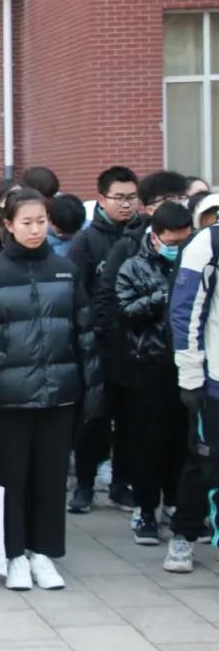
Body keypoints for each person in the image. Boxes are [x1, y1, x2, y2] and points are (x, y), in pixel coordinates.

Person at [0, 189, 101, 591]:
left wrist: (92, 391)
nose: (35, 229)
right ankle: (13, 554)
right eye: (26, 222)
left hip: (60, 393)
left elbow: (85, 334)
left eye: (41, 221)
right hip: (7, 396)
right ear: (7, 224)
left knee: (51, 477)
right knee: (12, 479)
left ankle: (43, 553)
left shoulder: (64, 269)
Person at [114, 202, 193, 546]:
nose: (179, 248)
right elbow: (124, 311)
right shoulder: (134, 266)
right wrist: (162, 297)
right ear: (156, 236)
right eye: (173, 242)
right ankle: (145, 509)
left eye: (185, 241)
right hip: (149, 363)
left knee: (182, 440)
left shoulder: (196, 264)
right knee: (148, 441)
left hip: (187, 363)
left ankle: (176, 504)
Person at [67, 166, 143, 514]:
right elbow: (76, 290)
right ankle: (84, 484)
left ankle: (121, 484)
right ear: (101, 199)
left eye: (132, 198)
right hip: (97, 345)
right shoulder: (86, 241)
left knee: (131, 420)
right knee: (94, 418)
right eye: (119, 198)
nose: (126, 205)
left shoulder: (144, 236)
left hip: (135, 345)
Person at [167, 213, 219, 573]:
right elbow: (185, 311)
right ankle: (183, 533)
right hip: (213, 379)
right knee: (205, 462)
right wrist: (190, 375)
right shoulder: (209, 242)